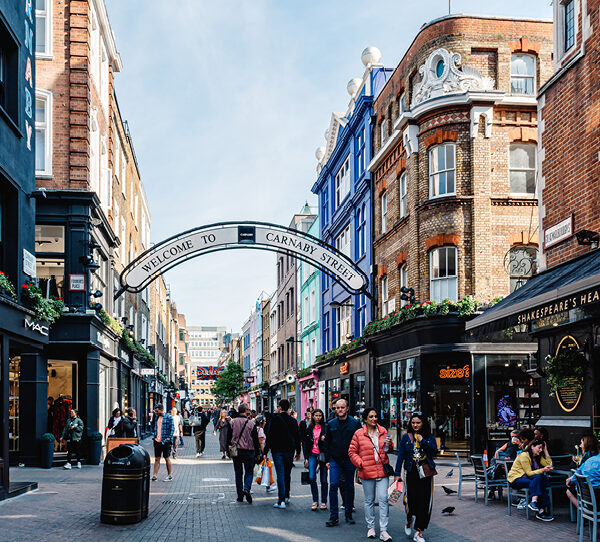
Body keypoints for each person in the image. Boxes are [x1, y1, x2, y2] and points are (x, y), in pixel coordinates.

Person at [348, 408, 393, 541]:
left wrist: (390, 446)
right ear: (365, 419)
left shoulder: (383, 431)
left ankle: (384, 530)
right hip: (367, 471)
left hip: (382, 471)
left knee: (384, 499)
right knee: (369, 501)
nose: (374, 419)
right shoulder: (359, 434)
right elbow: (351, 452)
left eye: (375, 416)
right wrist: (360, 463)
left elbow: (387, 449)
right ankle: (371, 527)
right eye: (371, 417)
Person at [394, 413, 438, 542]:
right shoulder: (405, 438)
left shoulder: (429, 437)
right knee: (411, 500)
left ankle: (418, 532)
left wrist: (422, 441)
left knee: (424, 502)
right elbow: (400, 456)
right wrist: (397, 474)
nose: (415, 425)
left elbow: (434, 452)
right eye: (413, 423)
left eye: (418, 423)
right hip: (411, 472)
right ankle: (409, 520)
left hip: (425, 473)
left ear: (423, 423)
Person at [324, 398, 361, 527]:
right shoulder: (331, 424)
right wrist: (327, 460)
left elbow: (360, 441)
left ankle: (348, 514)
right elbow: (327, 443)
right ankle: (333, 516)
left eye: (342, 407)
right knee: (333, 485)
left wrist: (358, 459)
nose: (339, 410)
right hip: (335, 459)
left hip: (350, 460)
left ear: (347, 408)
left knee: (349, 486)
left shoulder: (355, 423)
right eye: (337, 408)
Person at [264, 399, 301, 509]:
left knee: (280, 474)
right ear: (288, 407)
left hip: (277, 450)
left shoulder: (274, 419)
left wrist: (265, 451)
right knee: (287, 474)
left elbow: (269, 435)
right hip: (289, 450)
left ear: (280, 407)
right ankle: (286, 496)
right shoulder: (293, 421)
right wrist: (298, 451)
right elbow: (297, 437)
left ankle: (281, 501)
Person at [507, 438, 553, 521]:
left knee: (539, 481)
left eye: (542, 448)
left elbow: (549, 464)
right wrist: (543, 470)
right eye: (539, 448)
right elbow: (529, 473)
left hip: (530, 479)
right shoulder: (524, 455)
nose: (540, 450)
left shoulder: (538, 456)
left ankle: (534, 503)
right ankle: (540, 511)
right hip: (516, 479)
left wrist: (546, 451)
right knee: (539, 480)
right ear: (532, 446)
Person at [227, 403, 260, 503]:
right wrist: (257, 453)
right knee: (249, 472)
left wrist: (228, 451)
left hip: (236, 451)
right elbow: (255, 440)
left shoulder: (232, 423)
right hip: (249, 451)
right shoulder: (251, 424)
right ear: (246, 411)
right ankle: (246, 488)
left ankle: (240, 496)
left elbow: (228, 437)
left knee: (238, 473)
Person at [302, 408, 328, 511]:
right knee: (312, 477)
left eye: (320, 415)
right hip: (312, 454)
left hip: (322, 455)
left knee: (323, 479)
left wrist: (325, 439)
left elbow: (329, 442)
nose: (318, 417)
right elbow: (305, 444)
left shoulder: (325, 428)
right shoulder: (309, 428)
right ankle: (315, 500)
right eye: (316, 415)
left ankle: (324, 501)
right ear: (312, 416)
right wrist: (306, 458)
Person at [566, 433, 600, 507]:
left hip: (589, 499)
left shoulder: (588, 460)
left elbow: (574, 478)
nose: (580, 445)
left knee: (569, 491)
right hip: (596, 496)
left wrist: (571, 479)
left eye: (581, 443)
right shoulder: (594, 458)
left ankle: (583, 510)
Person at [151, 404, 174, 482]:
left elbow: (172, 428)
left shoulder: (169, 417)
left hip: (165, 441)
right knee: (157, 458)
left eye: (157, 411)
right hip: (157, 441)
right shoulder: (156, 417)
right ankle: (154, 475)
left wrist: (168, 438)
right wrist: (154, 437)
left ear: (161, 410)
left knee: (167, 458)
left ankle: (170, 475)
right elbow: (155, 428)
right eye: (155, 411)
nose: (155, 412)